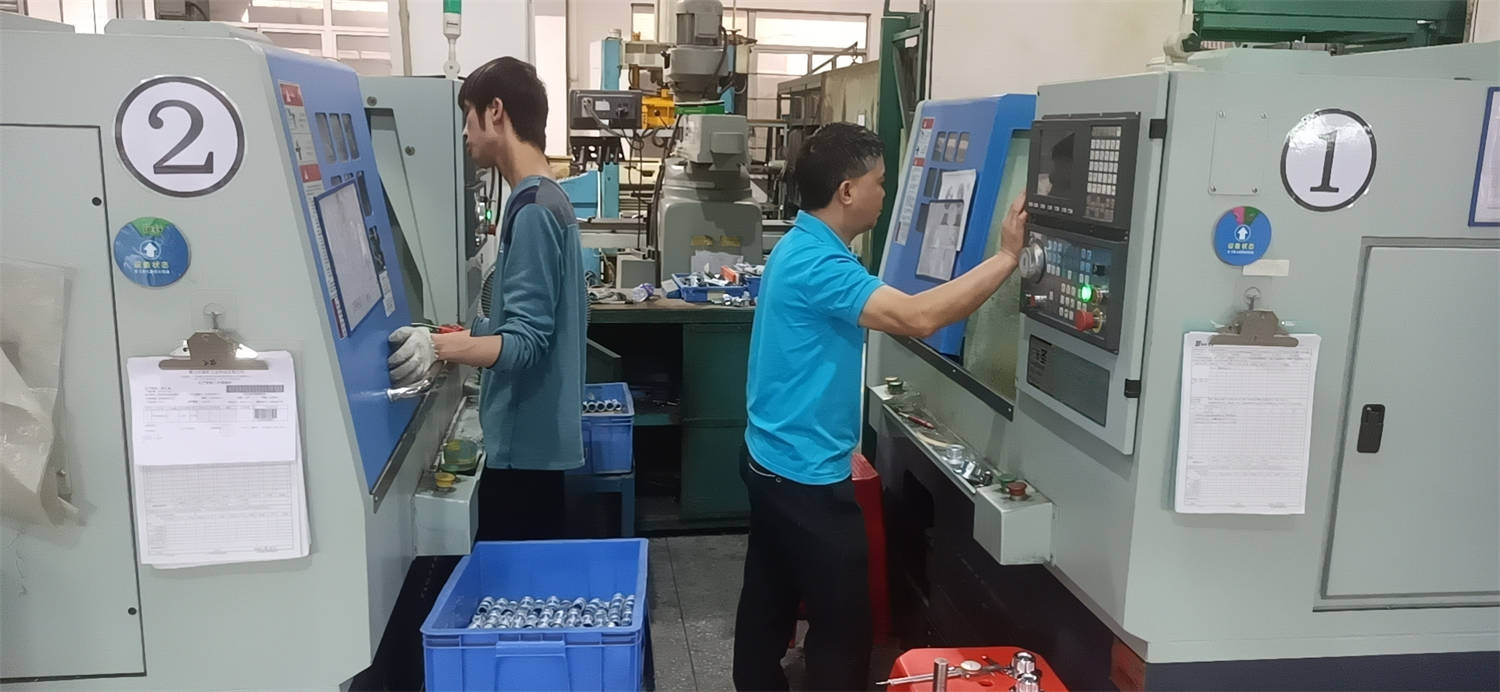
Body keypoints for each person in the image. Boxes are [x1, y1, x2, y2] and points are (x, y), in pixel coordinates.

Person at [733, 122, 1028, 691]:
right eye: (880, 182)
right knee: (844, 625)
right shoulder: (821, 266)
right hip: (806, 479)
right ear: (847, 191)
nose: (885, 194)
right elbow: (919, 318)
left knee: (769, 594)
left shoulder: (799, 245)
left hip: (768, 458)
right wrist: (1007, 256)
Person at [386, 56, 585, 541]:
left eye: (467, 116)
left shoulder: (533, 210)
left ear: (495, 111)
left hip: (525, 450)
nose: (464, 133)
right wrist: (463, 334)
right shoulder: (544, 197)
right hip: (538, 441)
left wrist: (437, 348)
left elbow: (525, 343)